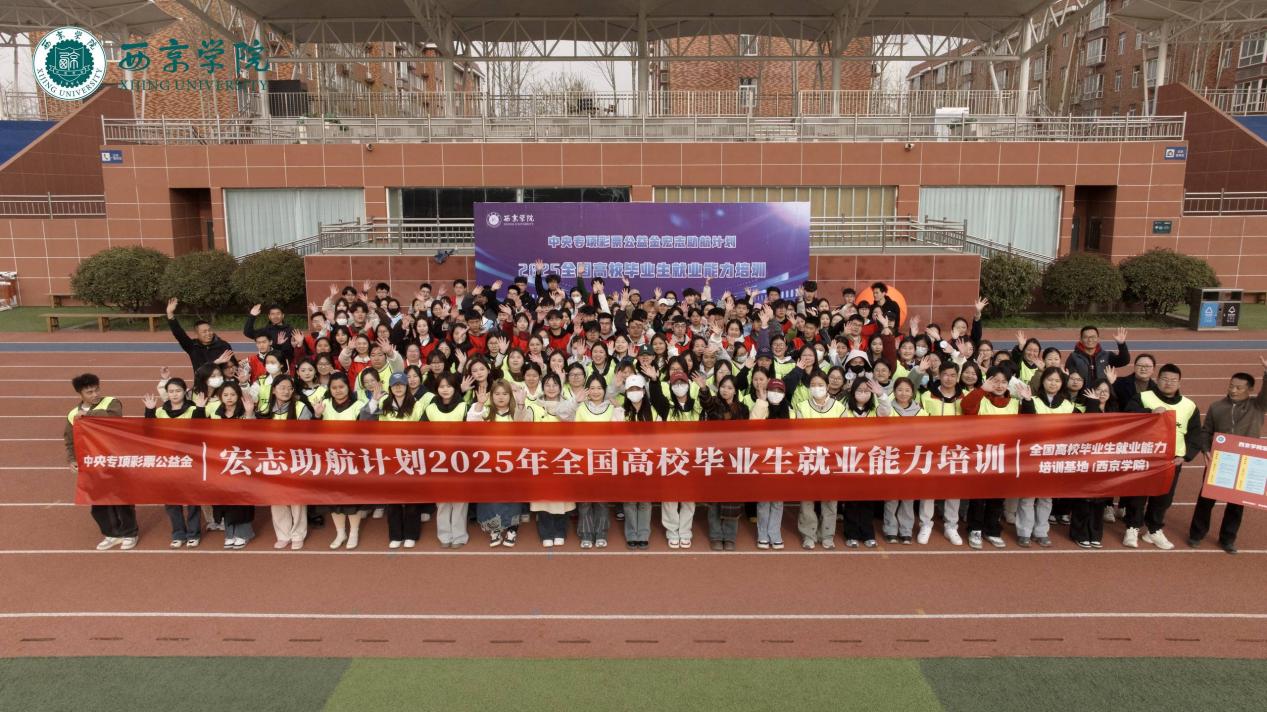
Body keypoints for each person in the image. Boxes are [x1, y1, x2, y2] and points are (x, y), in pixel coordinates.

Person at [1188, 360, 1267, 554]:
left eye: (1239, 388)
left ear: (1250, 389)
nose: (1233, 390)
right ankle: (1196, 534)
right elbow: (1206, 431)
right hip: (1219, 461)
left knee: (1236, 504)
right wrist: (1205, 449)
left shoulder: (1257, 406)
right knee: (1206, 499)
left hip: (1246, 463)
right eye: (1231, 386)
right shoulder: (1216, 407)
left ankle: (1228, 539)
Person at [1122, 363, 1202, 550]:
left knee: (1164, 497)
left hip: (1171, 460)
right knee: (1138, 494)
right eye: (1165, 379)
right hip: (1145, 457)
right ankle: (1132, 527)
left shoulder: (1189, 406)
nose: (1168, 383)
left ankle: (1154, 529)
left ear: (1180, 382)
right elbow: (1127, 417)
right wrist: (1149, 413)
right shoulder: (1143, 397)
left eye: (1173, 380)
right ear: (1157, 380)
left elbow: (1195, 434)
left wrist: (1185, 456)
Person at [65, 373, 137, 551]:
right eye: (89, 392)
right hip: (93, 463)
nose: (95, 394)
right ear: (80, 394)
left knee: (121, 499)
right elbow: (70, 439)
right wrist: (72, 459)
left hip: (115, 459)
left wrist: (88, 415)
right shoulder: (73, 414)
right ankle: (112, 534)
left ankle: (130, 533)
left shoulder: (111, 402)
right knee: (98, 502)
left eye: (96, 390)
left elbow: (113, 418)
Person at [959, 365, 1023, 550]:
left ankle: (992, 530)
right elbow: (966, 407)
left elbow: (1029, 424)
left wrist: (1027, 400)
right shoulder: (981, 399)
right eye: (996, 381)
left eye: (1004, 382)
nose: (1000, 385)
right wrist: (981, 390)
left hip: (1004, 458)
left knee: (997, 498)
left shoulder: (1014, 403)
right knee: (978, 497)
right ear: (988, 381)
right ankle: (975, 529)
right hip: (982, 457)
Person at [467, 380, 532, 547]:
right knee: (491, 498)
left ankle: (512, 529)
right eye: (497, 394)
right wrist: (480, 404)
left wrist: (521, 404)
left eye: (505, 394)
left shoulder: (517, 411)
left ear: (510, 396)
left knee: (512, 497)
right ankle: (494, 529)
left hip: (512, 463)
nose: (501, 397)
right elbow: (471, 424)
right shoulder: (485, 412)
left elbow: (524, 426)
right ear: (491, 396)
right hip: (489, 462)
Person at [1017, 367, 1075, 547]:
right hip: (1032, 456)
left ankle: (1041, 531)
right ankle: (1024, 532)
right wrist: (1027, 401)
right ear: (1043, 381)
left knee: (1046, 497)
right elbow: (1026, 424)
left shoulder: (1068, 405)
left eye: (1057, 381)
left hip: (1054, 457)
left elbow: (1073, 431)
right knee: (1027, 497)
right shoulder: (1032, 400)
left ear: (1062, 384)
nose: (1053, 383)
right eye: (1050, 379)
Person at [142, 378, 202, 548]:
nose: (174, 394)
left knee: (192, 499)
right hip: (167, 461)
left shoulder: (193, 409)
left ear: (184, 392)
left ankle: (194, 533)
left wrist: (201, 409)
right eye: (171, 391)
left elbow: (200, 430)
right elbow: (148, 432)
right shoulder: (160, 412)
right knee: (171, 500)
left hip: (189, 460)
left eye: (178, 391)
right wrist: (149, 411)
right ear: (167, 393)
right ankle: (178, 534)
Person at [312, 372, 369, 549]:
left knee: (352, 499)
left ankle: (353, 533)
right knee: (334, 499)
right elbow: (313, 433)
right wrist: (317, 416)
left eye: (341, 387)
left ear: (348, 387)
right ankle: (340, 533)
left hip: (352, 460)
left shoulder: (359, 405)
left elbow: (365, 432)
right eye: (334, 387)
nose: (338, 390)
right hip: (331, 460)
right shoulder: (324, 404)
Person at [567, 373, 625, 548]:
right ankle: (585, 533)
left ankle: (601, 533)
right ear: (587, 390)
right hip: (585, 460)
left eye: (599, 388)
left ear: (604, 390)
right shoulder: (581, 408)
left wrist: (619, 409)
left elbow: (619, 434)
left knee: (601, 501)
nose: (595, 391)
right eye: (592, 388)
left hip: (605, 460)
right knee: (585, 501)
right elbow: (576, 435)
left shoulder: (612, 408)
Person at [198, 382, 257, 549]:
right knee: (225, 500)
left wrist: (250, 414)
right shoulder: (215, 413)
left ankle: (243, 534)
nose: (229, 398)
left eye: (232, 394)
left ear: (238, 396)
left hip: (241, 463)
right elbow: (199, 430)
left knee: (241, 500)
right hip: (221, 463)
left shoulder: (245, 412)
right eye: (225, 395)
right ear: (220, 397)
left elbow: (255, 434)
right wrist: (200, 408)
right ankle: (229, 533)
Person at [792, 370, 846, 550]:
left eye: (820, 385)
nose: (817, 388)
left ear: (827, 386)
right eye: (813, 385)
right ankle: (809, 534)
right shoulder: (801, 406)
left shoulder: (839, 407)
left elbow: (845, 435)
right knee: (807, 500)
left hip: (831, 460)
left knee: (830, 500)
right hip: (809, 459)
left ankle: (827, 535)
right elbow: (798, 435)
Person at [423, 373, 472, 547]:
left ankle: (459, 535)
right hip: (438, 462)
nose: (445, 390)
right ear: (437, 388)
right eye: (441, 386)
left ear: (455, 387)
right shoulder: (430, 409)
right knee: (442, 500)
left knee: (460, 500)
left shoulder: (464, 407)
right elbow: (421, 435)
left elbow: (472, 435)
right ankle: (444, 535)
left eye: (449, 386)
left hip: (461, 461)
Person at [165, 297, 233, 370]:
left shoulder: (223, 345)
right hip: (201, 377)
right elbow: (179, 333)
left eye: (209, 330)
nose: (208, 333)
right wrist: (170, 314)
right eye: (204, 332)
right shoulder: (192, 347)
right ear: (197, 334)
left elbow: (233, 364)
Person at [1066, 326, 1130, 385]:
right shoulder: (1074, 357)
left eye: (1093, 337)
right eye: (1086, 337)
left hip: (1102, 392)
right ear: (1080, 339)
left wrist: (1121, 344)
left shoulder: (1107, 355)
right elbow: (1069, 378)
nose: (1090, 340)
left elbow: (1124, 361)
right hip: (1083, 393)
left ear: (1098, 339)